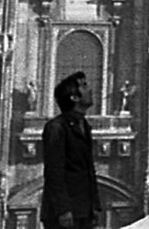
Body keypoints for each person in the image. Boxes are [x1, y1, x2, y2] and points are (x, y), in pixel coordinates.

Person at [40, 71, 100, 229]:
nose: (91, 90)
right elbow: (54, 172)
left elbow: (88, 170)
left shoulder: (84, 125)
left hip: (83, 211)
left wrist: (94, 206)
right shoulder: (56, 127)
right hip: (65, 214)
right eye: (84, 86)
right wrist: (63, 210)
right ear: (74, 97)